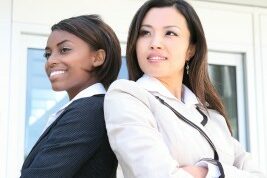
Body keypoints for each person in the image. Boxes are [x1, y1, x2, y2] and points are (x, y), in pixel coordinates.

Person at [104, 0, 266, 178]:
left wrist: (208, 171)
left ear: (191, 49)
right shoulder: (127, 96)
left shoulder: (212, 116)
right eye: (145, 33)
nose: (155, 43)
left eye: (170, 33)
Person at [20, 14, 121, 178]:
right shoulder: (88, 108)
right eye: (48, 54)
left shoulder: (88, 111)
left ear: (97, 58)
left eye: (64, 50)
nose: (51, 61)